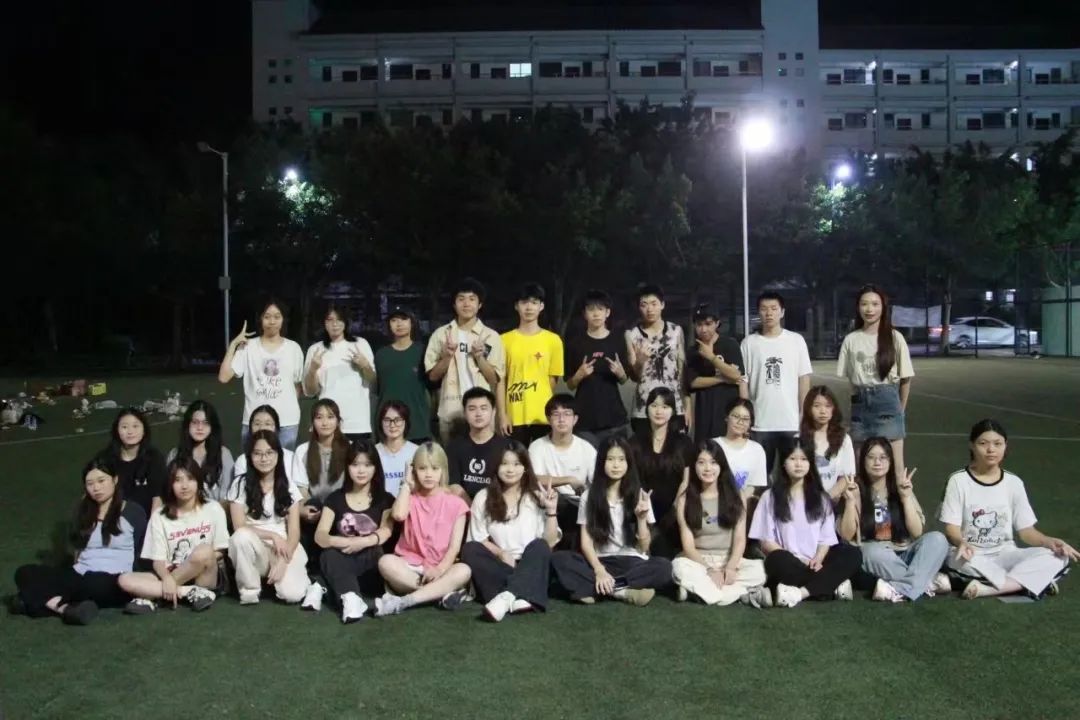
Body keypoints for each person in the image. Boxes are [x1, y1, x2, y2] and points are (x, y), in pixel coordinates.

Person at [940, 419, 1077, 600]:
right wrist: (961, 542)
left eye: (998, 444)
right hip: (971, 555)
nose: (991, 449)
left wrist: (1048, 541)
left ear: (1005, 446)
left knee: (1058, 557)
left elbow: (1027, 532)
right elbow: (951, 529)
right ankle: (1031, 581)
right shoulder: (958, 480)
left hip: (1006, 554)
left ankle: (989, 589)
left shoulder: (1014, 482)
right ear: (971, 446)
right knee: (958, 561)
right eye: (983, 443)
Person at [12, 456, 147, 625]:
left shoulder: (133, 511)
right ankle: (65, 609)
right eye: (90, 484)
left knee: (93, 583)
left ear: (115, 479)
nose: (96, 488)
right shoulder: (83, 510)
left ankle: (31, 601)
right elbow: (78, 547)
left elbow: (142, 550)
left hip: (112, 580)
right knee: (24, 572)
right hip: (79, 574)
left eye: (101, 481)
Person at [550, 437, 672, 606]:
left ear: (628, 463)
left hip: (632, 562)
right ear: (602, 462)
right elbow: (586, 544)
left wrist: (641, 519)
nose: (616, 465)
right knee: (560, 559)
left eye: (621, 460)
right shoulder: (589, 496)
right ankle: (621, 591)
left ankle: (602, 588)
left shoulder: (640, 495)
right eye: (610, 459)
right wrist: (599, 570)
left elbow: (644, 548)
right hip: (600, 560)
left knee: (664, 567)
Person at [748, 438, 862, 607]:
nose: (798, 464)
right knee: (776, 560)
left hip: (817, 562)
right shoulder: (769, 497)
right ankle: (830, 585)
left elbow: (826, 538)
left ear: (810, 464)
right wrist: (799, 560)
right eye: (793, 459)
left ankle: (801, 593)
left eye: (803, 459)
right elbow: (766, 542)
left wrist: (818, 558)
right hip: (789, 561)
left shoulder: (821, 498)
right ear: (783, 463)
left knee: (852, 554)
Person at [837, 438, 950, 602]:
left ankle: (903, 587)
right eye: (871, 457)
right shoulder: (854, 489)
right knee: (872, 552)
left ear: (890, 461)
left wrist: (906, 497)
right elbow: (847, 535)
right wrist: (850, 501)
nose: (877, 462)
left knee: (938, 539)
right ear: (863, 461)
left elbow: (917, 532)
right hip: (875, 557)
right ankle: (926, 582)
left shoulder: (900, 487)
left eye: (883, 457)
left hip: (903, 552)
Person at [462, 442, 561, 622]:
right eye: (504, 463)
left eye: (516, 464)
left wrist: (551, 510)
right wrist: (501, 553)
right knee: (470, 549)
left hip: (530, 562)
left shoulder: (536, 496)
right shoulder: (483, 497)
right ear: (496, 467)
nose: (510, 469)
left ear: (525, 468)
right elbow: (479, 539)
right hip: (501, 564)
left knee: (539, 546)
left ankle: (506, 597)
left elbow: (550, 542)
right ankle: (524, 594)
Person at [118, 458, 228, 614]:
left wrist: (189, 566)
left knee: (204, 551)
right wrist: (167, 578)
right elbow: (158, 561)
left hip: (203, 575)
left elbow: (219, 551)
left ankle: (152, 596)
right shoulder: (159, 516)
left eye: (190, 479)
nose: (184, 486)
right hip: (170, 573)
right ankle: (185, 592)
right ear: (170, 484)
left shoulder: (213, 508)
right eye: (177, 480)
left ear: (198, 481)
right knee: (125, 579)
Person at [375, 442, 472, 615]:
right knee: (385, 562)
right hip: (411, 568)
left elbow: (454, 548)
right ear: (414, 471)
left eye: (434, 468)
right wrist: (406, 484)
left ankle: (405, 601)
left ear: (442, 470)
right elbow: (398, 515)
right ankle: (439, 593)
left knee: (464, 571)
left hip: (441, 568)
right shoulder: (410, 498)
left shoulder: (457, 504)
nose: (428, 474)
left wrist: (439, 570)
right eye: (422, 468)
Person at [671, 440, 768, 606]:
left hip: (728, 559)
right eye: (701, 462)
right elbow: (688, 547)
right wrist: (709, 570)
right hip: (698, 561)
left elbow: (740, 539)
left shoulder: (737, 495)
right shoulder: (685, 499)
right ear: (694, 466)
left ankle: (701, 593)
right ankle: (739, 593)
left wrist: (730, 567)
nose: (707, 468)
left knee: (759, 571)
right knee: (678, 567)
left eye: (713, 462)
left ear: (721, 465)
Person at [312, 441, 395, 622]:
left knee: (375, 549)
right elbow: (320, 535)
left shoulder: (385, 499)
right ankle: (351, 598)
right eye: (355, 464)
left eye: (367, 465)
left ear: (376, 468)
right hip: (341, 561)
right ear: (347, 467)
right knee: (328, 555)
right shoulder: (335, 498)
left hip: (371, 566)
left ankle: (321, 585)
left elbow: (386, 531)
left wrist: (361, 542)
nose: (361, 471)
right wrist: (346, 542)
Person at [837, 285, 915, 478]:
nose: (869, 309)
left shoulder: (895, 338)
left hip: (887, 402)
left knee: (896, 469)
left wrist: (900, 411)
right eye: (864, 304)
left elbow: (906, 379)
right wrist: (851, 412)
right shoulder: (851, 340)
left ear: (883, 307)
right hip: (860, 407)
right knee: (859, 468)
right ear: (858, 307)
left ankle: (901, 498)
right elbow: (851, 384)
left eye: (875, 304)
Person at [227, 430, 311, 605]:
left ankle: (288, 581)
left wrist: (284, 559)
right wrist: (272, 536)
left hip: (283, 548)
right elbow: (239, 526)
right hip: (255, 545)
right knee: (240, 537)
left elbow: (294, 532)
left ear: (278, 455)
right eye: (257, 453)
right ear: (250, 457)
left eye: (269, 453)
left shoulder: (289, 486)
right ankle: (250, 590)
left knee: (293, 595)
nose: (264, 459)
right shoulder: (239, 484)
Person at [740, 291, 813, 479]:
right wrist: (745, 415)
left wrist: (803, 412)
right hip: (760, 424)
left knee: (792, 475)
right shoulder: (749, 343)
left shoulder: (796, 341)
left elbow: (804, 378)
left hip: (790, 422)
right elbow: (743, 381)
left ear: (782, 312)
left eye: (773, 308)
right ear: (758, 312)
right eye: (764, 309)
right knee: (760, 477)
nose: (769, 313)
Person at [424, 278, 505, 444]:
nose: (466, 304)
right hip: (451, 410)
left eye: (472, 299)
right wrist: (447, 357)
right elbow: (432, 376)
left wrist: (480, 358)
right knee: (452, 457)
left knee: (485, 456)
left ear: (480, 304)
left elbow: (494, 379)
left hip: (481, 411)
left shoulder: (491, 336)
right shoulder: (441, 335)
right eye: (461, 299)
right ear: (454, 305)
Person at [218, 300, 304, 450]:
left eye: (277, 317)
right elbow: (223, 377)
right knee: (252, 462)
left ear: (283, 319)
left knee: (284, 463)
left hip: (286, 423)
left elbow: (298, 385)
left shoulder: (293, 348)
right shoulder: (248, 347)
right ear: (260, 319)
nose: (272, 321)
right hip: (254, 422)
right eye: (267, 316)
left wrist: (285, 405)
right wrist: (234, 345)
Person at [497, 283, 565, 445]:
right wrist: (502, 415)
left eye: (534, 302)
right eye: (524, 302)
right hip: (514, 416)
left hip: (543, 417)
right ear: (516, 306)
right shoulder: (503, 340)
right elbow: (500, 381)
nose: (529, 307)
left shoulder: (553, 340)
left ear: (541, 306)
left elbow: (552, 381)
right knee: (515, 459)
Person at [629, 387, 695, 554]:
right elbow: (631, 479)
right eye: (654, 406)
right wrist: (643, 509)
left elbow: (686, 480)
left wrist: (676, 507)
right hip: (641, 508)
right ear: (647, 409)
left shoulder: (683, 442)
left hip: (674, 510)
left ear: (672, 411)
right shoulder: (635, 442)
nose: (659, 411)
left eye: (665, 407)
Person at [564, 289, 630, 448]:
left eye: (600, 309)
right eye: (591, 309)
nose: (596, 314)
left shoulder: (617, 340)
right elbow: (570, 384)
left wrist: (621, 374)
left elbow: (623, 380)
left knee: (615, 460)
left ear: (607, 313)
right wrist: (579, 375)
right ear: (584, 314)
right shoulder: (575, 343)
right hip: (585, 420)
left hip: (613, 418)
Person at [528, 394, 597, 544]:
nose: (561, 419)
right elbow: (533, 479)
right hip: (547, 503)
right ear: (548, 419)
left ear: (575, 419)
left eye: (567, 414)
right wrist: (569, 480)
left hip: (579, 505)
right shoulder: (537, 447)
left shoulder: (586, 448)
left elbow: (598, 481)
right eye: (556, 414)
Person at [302, 303, 376, 442]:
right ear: (324, 323)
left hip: (357, 423)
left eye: (339, 319)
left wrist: (364, 365)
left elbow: (372, 379)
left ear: (346, 322)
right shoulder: (315, 349)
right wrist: (313, 369)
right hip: (326, 424)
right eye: (330, 320)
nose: (335, 324)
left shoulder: (360, 344)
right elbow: (310, 391)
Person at [625, 284, 687, 435]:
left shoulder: (676, 331)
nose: (650, 309)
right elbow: (635, 377)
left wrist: (687, 405)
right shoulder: (632, 335)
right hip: (644, 406)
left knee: (676, 447)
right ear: (639, 307)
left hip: (674, 404)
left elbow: (682, 372)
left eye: (654, 304)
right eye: (644, 305)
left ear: (662, 305)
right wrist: (640, 361)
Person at [685, 304, 745, 443]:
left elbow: (736, 375)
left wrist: (711, 357)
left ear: (717, 323)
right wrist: (722, 378)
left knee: (728, 449)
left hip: (728, 410)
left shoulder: (730, 344)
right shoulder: (693, 351)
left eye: (708, 324)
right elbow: (693, 382)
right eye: (699, 324)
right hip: (704, 412)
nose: (703, 329)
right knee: (705, 449)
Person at [374, 306, 431, 443]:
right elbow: (377, 388)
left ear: (412, 322)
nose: (399, 324)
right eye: (394, 320)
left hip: (417, 425)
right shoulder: (381, 354)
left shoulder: (423, 351)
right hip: (388, 426)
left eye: (404, 319)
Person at [166, 400, 234, 506]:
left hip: (216, 512)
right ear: (188, 425)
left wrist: (210, 513)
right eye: (195, 422)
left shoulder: (224, 454)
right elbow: (169, 492)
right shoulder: (175, 454)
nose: (200, 428)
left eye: (205, 423)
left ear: (212, 427)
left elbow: (229, 496)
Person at [446, 387, 509, 500]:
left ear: (494, 412)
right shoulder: (454, 447)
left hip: (497, 505)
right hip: (464, 506)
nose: (478, 413)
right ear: (464, 413)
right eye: (472, 409)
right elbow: (453, 484)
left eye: (484, 408)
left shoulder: (507, 447)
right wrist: (473, 509)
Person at [101, 407, 166, 515]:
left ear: (144, 430)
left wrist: (152, 524)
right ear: (116, 430)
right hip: (114, 518)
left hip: (148, 519)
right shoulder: (105, 458)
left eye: (135, 426)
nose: (130, 432)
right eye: (124, 427)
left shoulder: (154, 457)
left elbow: (157, 496)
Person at [799, 386, 856, 501]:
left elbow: (847, 476)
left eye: (828, 406)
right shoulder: (799, 438)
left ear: (834, 409)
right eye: (817, 406)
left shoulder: (844, 439)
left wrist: (826, 499)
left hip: (832, 500)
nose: (823, 411)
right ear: (808, 408)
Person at [712, 398, 768, 501]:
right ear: (726, 417)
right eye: (736, 416)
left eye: (745, 419)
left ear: (750, 423)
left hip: (743, 503)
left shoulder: (757, 449)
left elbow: (756, 484)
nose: (740, 422)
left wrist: (739, 499)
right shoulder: (713, 445)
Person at [230, 405, 297, 485]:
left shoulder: (291, 458)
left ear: (276, 428)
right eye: (257, 424)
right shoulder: (242, 461)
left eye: (267, 424)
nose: (262, 428)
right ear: (250, 428)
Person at [375, 401, 419, 496]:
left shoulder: (416, 451)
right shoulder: (374, 452)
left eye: (397, 420)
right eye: (387, 420)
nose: (392, 425)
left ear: (405, 422)